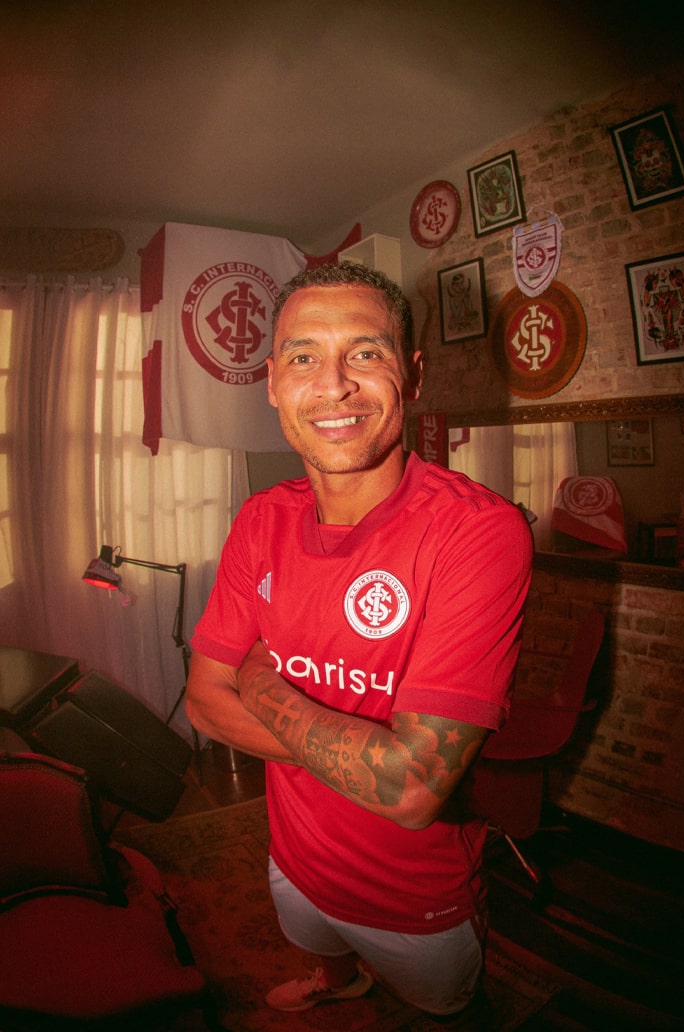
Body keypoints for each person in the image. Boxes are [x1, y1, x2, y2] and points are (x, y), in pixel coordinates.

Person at [186, 261, 533, 1019]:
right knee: (317, 947)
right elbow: (203, 704)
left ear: (413, 375)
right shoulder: (261, 520)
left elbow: (411, 792)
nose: (334, 384)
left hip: (415, 899)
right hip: (293, 858)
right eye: (304, 357)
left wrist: (260, 681)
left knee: (445, 1012)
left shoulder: (477, 532)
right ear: (272, 382)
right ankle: (335, 980)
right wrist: (366, 760)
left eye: (365, 353)